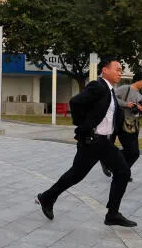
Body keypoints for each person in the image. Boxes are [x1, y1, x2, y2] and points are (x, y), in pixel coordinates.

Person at [36, 57, 136, 227]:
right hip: (92, 141)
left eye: (121, 70)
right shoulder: (98, 86)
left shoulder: (110, 90)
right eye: (117, 69)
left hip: (104, 143)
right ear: (105, 70)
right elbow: (75, 102)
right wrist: (84, 126)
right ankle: (47, 197)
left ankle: (112, 214)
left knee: (123, 172)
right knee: (76, 175)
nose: (120, 72)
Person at [115, 72, 142, 169]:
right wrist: (126, 104)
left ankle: (121, 171)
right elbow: (111, 98)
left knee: (133, 153)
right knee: (133, 152)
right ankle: (111, 161)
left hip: (134, 126)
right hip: (123, 124)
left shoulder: (140, 97)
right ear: (138, 80)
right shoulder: (125, 88)